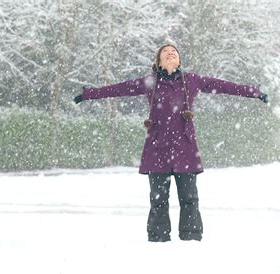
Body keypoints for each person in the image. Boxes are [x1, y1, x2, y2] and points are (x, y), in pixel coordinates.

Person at [73, 43, 269, 242]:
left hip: (185, 148)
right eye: (165, 52)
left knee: (190, 199)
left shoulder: (192, 80)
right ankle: (158, 240)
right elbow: (119, 89)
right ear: (158, 61)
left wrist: (254, 91)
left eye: (174, 52)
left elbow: (224, 86)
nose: (170, 54)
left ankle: (191, 239)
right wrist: (89, 94)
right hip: (157, 149)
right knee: (158, 201)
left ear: (179, 60)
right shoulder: (150, 81)